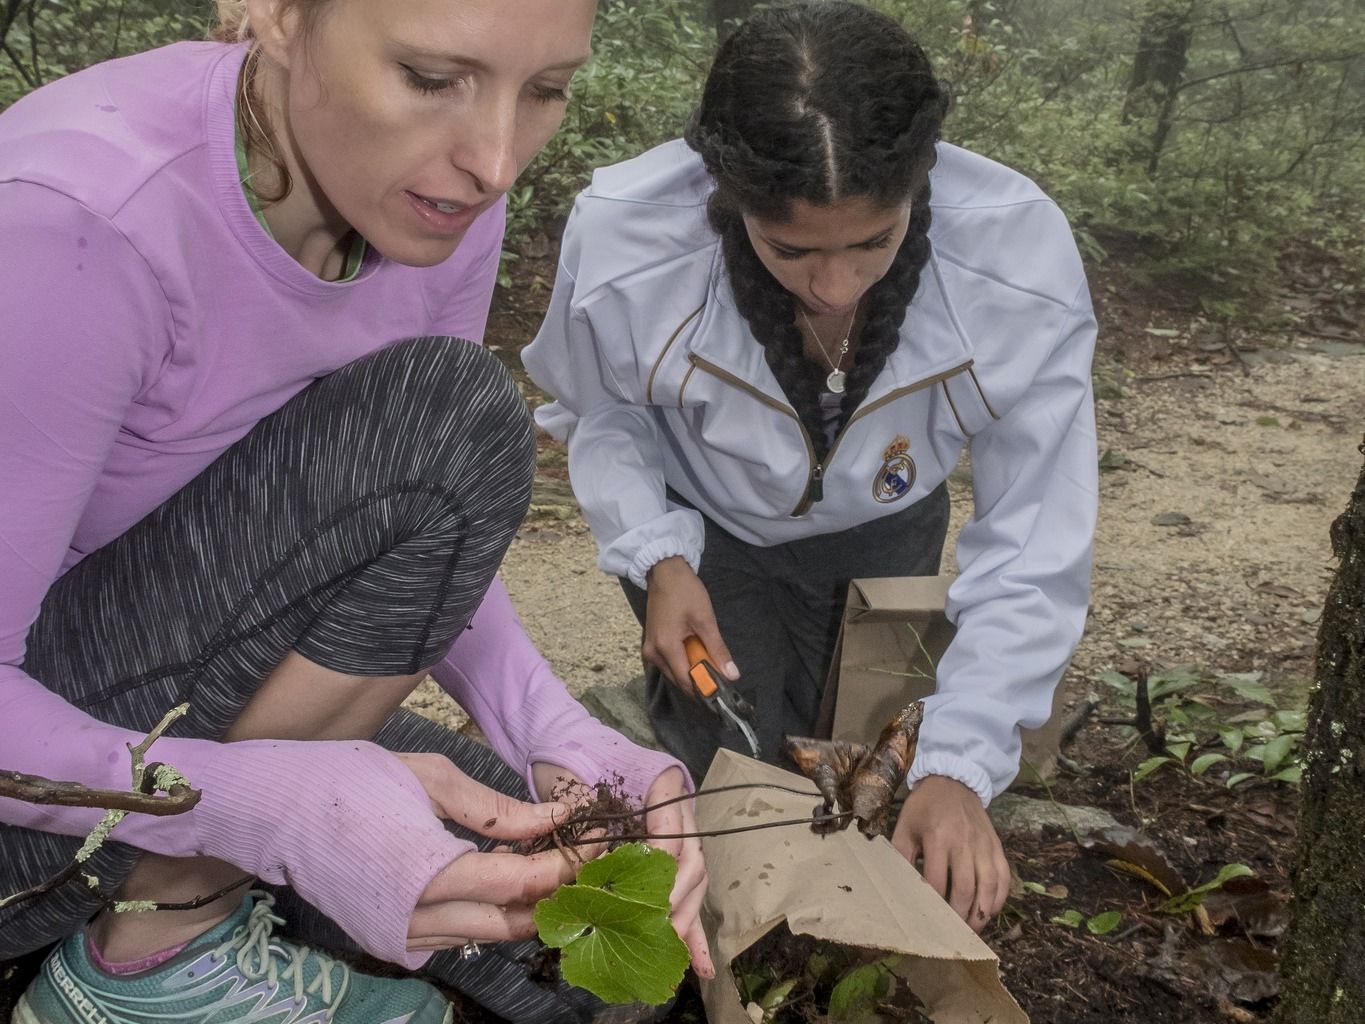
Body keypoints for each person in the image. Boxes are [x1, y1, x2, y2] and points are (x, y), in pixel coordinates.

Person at [0, 1, 711, 1021]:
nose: (498, 160)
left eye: (546, 90)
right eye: (431, 78)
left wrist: (551, 729)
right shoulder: (79, 219)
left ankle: (204, 914)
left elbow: (411, 528)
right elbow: (430, 452)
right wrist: (266, 813)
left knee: (605, 957)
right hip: (43, 796)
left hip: (176, 730)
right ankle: (153, 960)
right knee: (454, 415)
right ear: (277, 15)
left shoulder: (434, 199)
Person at [522, 0, 1098, 933]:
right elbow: (603, 410)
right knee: (737, 746)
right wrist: (656, 555)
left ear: (922, 183)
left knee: (877, 744)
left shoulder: (1015, 259)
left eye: (872, 242)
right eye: (788, 249)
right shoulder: (629, 237)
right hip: (706, 527)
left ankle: (844, 913)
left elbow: (1037, 530)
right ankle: (744, 923)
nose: (834, 287)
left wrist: (957, 766)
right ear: (725, 194)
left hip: (885, 520)